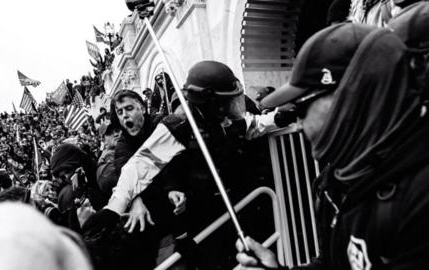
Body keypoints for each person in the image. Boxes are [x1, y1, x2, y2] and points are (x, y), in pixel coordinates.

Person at [236, 20, 429, 270]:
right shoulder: (335, 182)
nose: (298, 125)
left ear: (355, 95)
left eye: (301, 108)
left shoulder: (420, 193)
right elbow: (331, 263)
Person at [84, 61, 278, 269]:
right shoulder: (179, 126)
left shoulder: (222, 119)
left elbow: (251, 125)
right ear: (213, 101)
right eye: (228, 100)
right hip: (199, 216)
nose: (233, 104)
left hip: (231, 204)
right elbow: (138, 166)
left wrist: (279, 119)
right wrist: (114, 208)